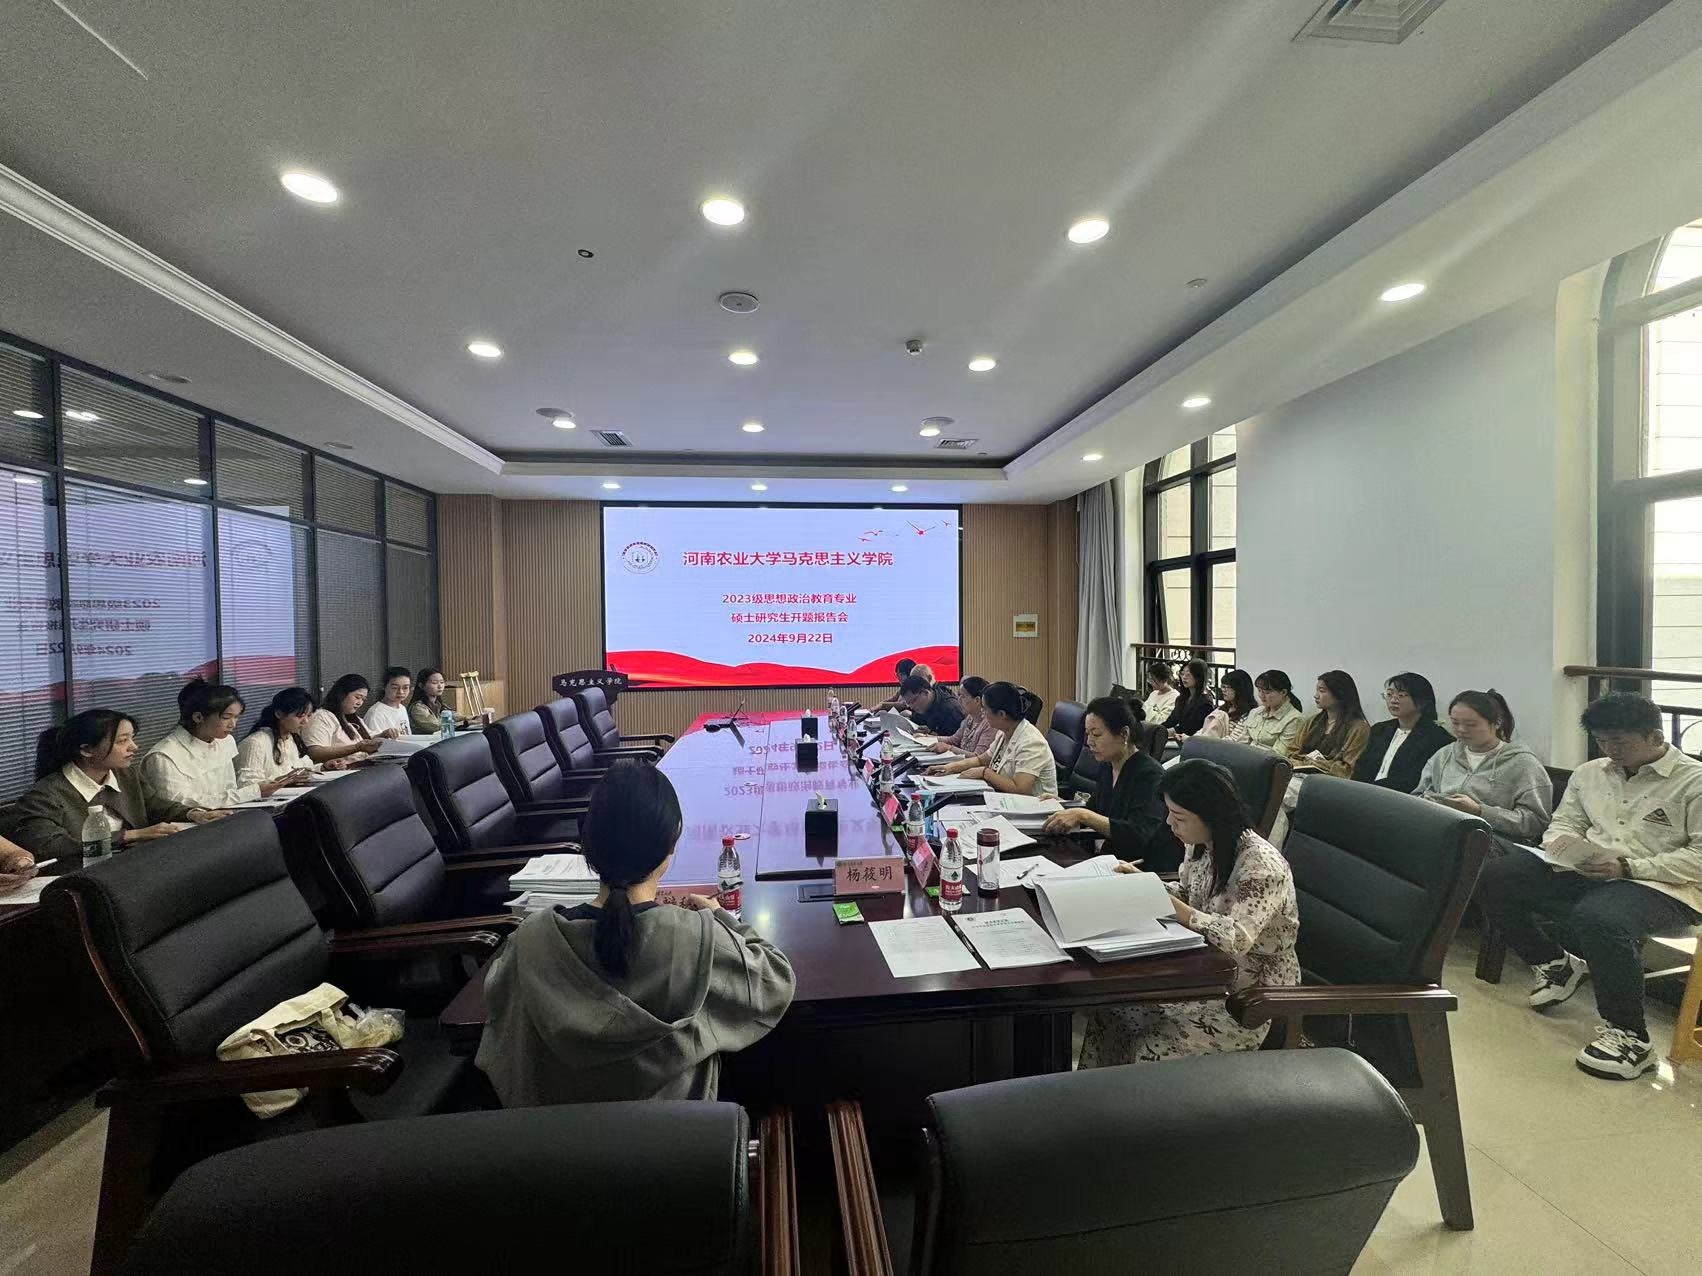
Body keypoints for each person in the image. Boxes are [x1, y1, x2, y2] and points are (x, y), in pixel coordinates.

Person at [476, 762, 796, 1104]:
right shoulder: (693, 939)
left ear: (588, 845)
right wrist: (721, 916)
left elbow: (501, 1043)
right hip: (679, 1135)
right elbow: (776, 980)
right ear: (670, 848)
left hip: (557, 1138)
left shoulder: (529, 945)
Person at [1477, 694, 1702, 1080]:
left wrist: (1628, 867)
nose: (1610, 750)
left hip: (1667, 886)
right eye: (1602, 741)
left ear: (1654, 736)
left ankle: (1631, 1036)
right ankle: (1553, 962)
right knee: (1492, 874)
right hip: (1591, 869)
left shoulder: (1693, 782)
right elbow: (1565, 823)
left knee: (1600, 917)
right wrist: (1564, 849)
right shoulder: (1590, 773)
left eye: (1620, 741)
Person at [1080, 759, 1299, 1065]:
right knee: (1112, 1012)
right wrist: (1145, 885)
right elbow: (1188, 893)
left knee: (1149, 1047)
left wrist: (1174, 907)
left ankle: (1137, 1098)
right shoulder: (1201, 843)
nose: (1170, 823)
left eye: (1179, 816)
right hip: (1202, 972)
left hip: (1248, 998)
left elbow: (1238, 938)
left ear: (1212, 815)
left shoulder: (1261, 866)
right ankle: (1101, 1094)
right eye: (1170, 813)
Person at [0, 710, 219, 859]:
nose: (134, 747)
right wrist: (130, 835)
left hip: (138, 864)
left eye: (132, 738)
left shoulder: (126, 775)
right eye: (122, 741)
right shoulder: (45, 794)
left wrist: (194, 814)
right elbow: (49, 845)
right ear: (86, 750)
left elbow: (154, 805)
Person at [1043, 696, 1182, 871]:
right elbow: (1095, 810)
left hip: (1139, 868)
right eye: (1087, 734)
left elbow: (1139, 834)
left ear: (1124, 734)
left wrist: (1082, 815)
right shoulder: (1108, 765)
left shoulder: (1150, 775)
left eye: (1096, 734)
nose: (1089, 742)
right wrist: (1064, 805)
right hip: (1111, 860)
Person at [1414, 690, 1551, 853]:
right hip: (1444, 829)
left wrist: (1480, 811)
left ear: (1497, 723)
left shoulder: (1523, 763)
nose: (1461, 730)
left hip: (1496, 842)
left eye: (1471, 724)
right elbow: (1418, 795)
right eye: (1455, 723)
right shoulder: (1444, 755)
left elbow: (1536, 823)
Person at [140, 679, 259, 809]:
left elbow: (229, 789)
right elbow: (177, 807)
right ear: (198, 717)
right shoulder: (163, 756)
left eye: (236, 717)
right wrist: (251, 792)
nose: (233, 725)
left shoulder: (226, 741)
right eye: (226, 717)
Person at [931, 681, 1058, 798]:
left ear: (1001, 714)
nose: (983, 713)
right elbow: (981, 759)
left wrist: (985, 773)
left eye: (985, 709)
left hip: (1031, 807)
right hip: (1004, 799)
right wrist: (949, 767)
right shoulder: (1004, 732)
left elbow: (1020, 789)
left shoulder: (1031, 742)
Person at [1353, 672, 1453, 791]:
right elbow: (1362, 767)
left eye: (1401, 695)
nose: (1393, 700)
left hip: (1401, 798)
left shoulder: (1438, 738)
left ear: (1422, 701)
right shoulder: (1379, 730)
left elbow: (1413, 780)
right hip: (1364, 793)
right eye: (1389, 694)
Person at [237, 688, 348, 791]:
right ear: (279, 714)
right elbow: (246, 786)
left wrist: (324, 767)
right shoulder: (256, 742)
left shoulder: (291, 738)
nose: (305, 721)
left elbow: (304, 768)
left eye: (309, 716)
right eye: (300, 716)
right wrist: (284, 780)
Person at [1289, 671, 1370, 777]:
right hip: (1299, 774)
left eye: (1322, 691)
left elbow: (1349, 769)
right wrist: (1303, 762)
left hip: (1330, 781)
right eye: (1317, 690)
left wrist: (1318, 764)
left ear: (1339, 694)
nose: (1316, 696)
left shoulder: (1359, 729)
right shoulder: (1312, 721)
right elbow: (1292, 751)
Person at [302, 674, 389, 762]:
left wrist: (383, 735)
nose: (359, 703)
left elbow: (368, 738)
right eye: (357, 697)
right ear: (342, 694)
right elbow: (315, 753)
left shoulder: (354, 718)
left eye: (363, 699)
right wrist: (356, 748)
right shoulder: (322, 717)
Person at [927, 676, 1001, 759]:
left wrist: (949, 748)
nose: (959, 699)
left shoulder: (989, 724)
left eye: (963, 696)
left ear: (977, 700)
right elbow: (953, 740)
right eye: (959, 695)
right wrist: (926, 738)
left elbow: (978, 757)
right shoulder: (970, 718)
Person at [1237, 670, 1305, 753]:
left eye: (1267, 692)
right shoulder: (1256, 712)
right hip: (1245, 756)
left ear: (1283, 692)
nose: (1261, 696)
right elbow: (1242, 743)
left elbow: (1278, 754)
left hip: (1266, 759)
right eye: (1259, 690)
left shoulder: (1294, 719)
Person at [1162, 658, 1214, 739]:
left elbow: (1190, 728)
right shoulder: (1181, 698)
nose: (1184, 677)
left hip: (1193, 740)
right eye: (1182, 674)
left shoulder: (1205, 703)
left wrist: (1168, 732)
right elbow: (1171, 721)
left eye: (1188, 674)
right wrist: (1158, 729)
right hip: (1178, 737)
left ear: (1198, 677)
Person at [1196, 669, 1255, 741]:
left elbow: (1233, 739)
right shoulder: (1222, 708)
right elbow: (1205, 729)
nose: (1224, 690)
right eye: (1223, 686)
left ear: (1239, 689)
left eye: (1228, 687)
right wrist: (1192, 739)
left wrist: (1207, 743)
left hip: (1221, 745)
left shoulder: (1248, 714)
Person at [900, 673, 964, 736]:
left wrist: (932, 734)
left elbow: (957, 739)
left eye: (913, 701)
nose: (911, 707)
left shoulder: (950, 709)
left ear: (925, 692)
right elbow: (917, 722)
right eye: (908, 703)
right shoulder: (921, 706)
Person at [362, 667, 414, 737]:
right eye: (395, 688)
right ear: (384, 686)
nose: (401, 692)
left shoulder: (402, 708)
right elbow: (374, 741)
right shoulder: (376, 713)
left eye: (405, 688)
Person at [409, 667, 453, 734]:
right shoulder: (417, 708)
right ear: (421, 685)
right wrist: (461, 723)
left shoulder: (439, 704)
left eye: (442, 682)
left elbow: (453, 714)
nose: (440, 686)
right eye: (434, 683)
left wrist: (467, 718)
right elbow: (435, 726)